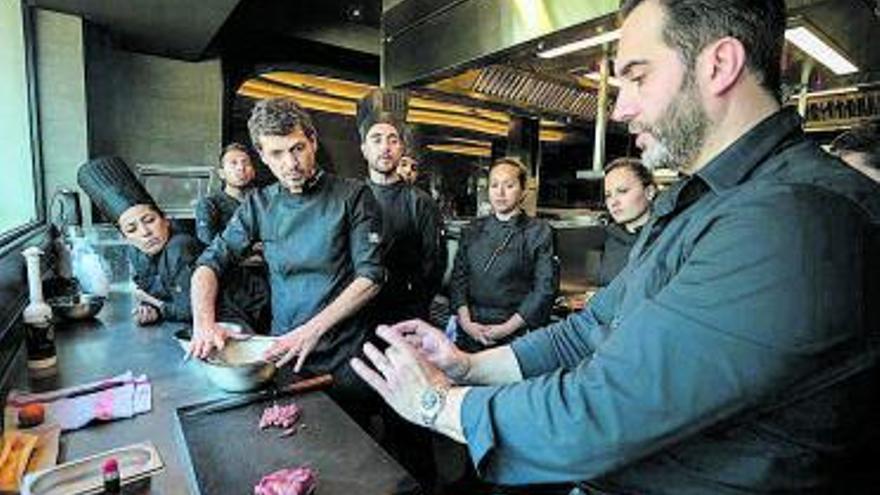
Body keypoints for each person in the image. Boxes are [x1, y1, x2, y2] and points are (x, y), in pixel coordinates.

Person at [350, 0, 880, 493]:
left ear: (719, 65)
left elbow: (605, 406)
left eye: (637, 77)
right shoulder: (699, 198)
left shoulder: (794, 218)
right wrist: (469, 365)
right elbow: (590, 327)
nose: (622, 108)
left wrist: (436, 403)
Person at [188, 98, 385, 417]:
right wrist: (204, 323)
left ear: (313, 142)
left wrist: (311, 330)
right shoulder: (259, 205)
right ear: (263, 156)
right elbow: (209, 264)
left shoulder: (354, 196)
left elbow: (371, 278)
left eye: (297, 149)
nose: (290, 163)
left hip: (345, 355)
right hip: (285, 352)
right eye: (277, 153)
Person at [358, 109, 446, 493]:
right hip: (357, 321)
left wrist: (414, 312)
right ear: (364, 148)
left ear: (401, 149)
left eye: (392, 139)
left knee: (408, 419)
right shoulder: (352, 198)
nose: (385, 146)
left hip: (404, 322)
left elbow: (434, 263)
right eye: (377, 139)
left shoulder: (420, 202)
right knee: (363, 412)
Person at [77, 157, 264, 330]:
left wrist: (154, 303)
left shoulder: (180, 247)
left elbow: (192, 310)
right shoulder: (137, 253)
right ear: (126, 237)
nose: (145, 232)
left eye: (149, 220)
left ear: (165, 220)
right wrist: (150, 307)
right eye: (132, 229)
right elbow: (157, 290)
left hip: (248, 312)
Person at [449, 157, 559, 353]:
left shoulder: (540, 232)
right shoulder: (472, 230)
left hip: (516, 332)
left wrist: (506, 328)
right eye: (494, 185)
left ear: (524, 190)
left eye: (509, 185)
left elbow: (544, 288)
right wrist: (466, 323)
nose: (500, 193)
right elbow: (458, 280)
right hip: (470, 329)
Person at [597, 157, 656, 285]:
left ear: (649, 192)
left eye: (622, 191)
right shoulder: (611, 237)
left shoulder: (669, 236)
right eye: (608, 195)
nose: (614, 202)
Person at [195, 143, 258, 246]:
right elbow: (207, 241)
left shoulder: (264, 201)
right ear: (222, 173)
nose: (241, 168)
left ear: (253, 172)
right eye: (233, 163)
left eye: (246, 163)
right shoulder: (209, 204)